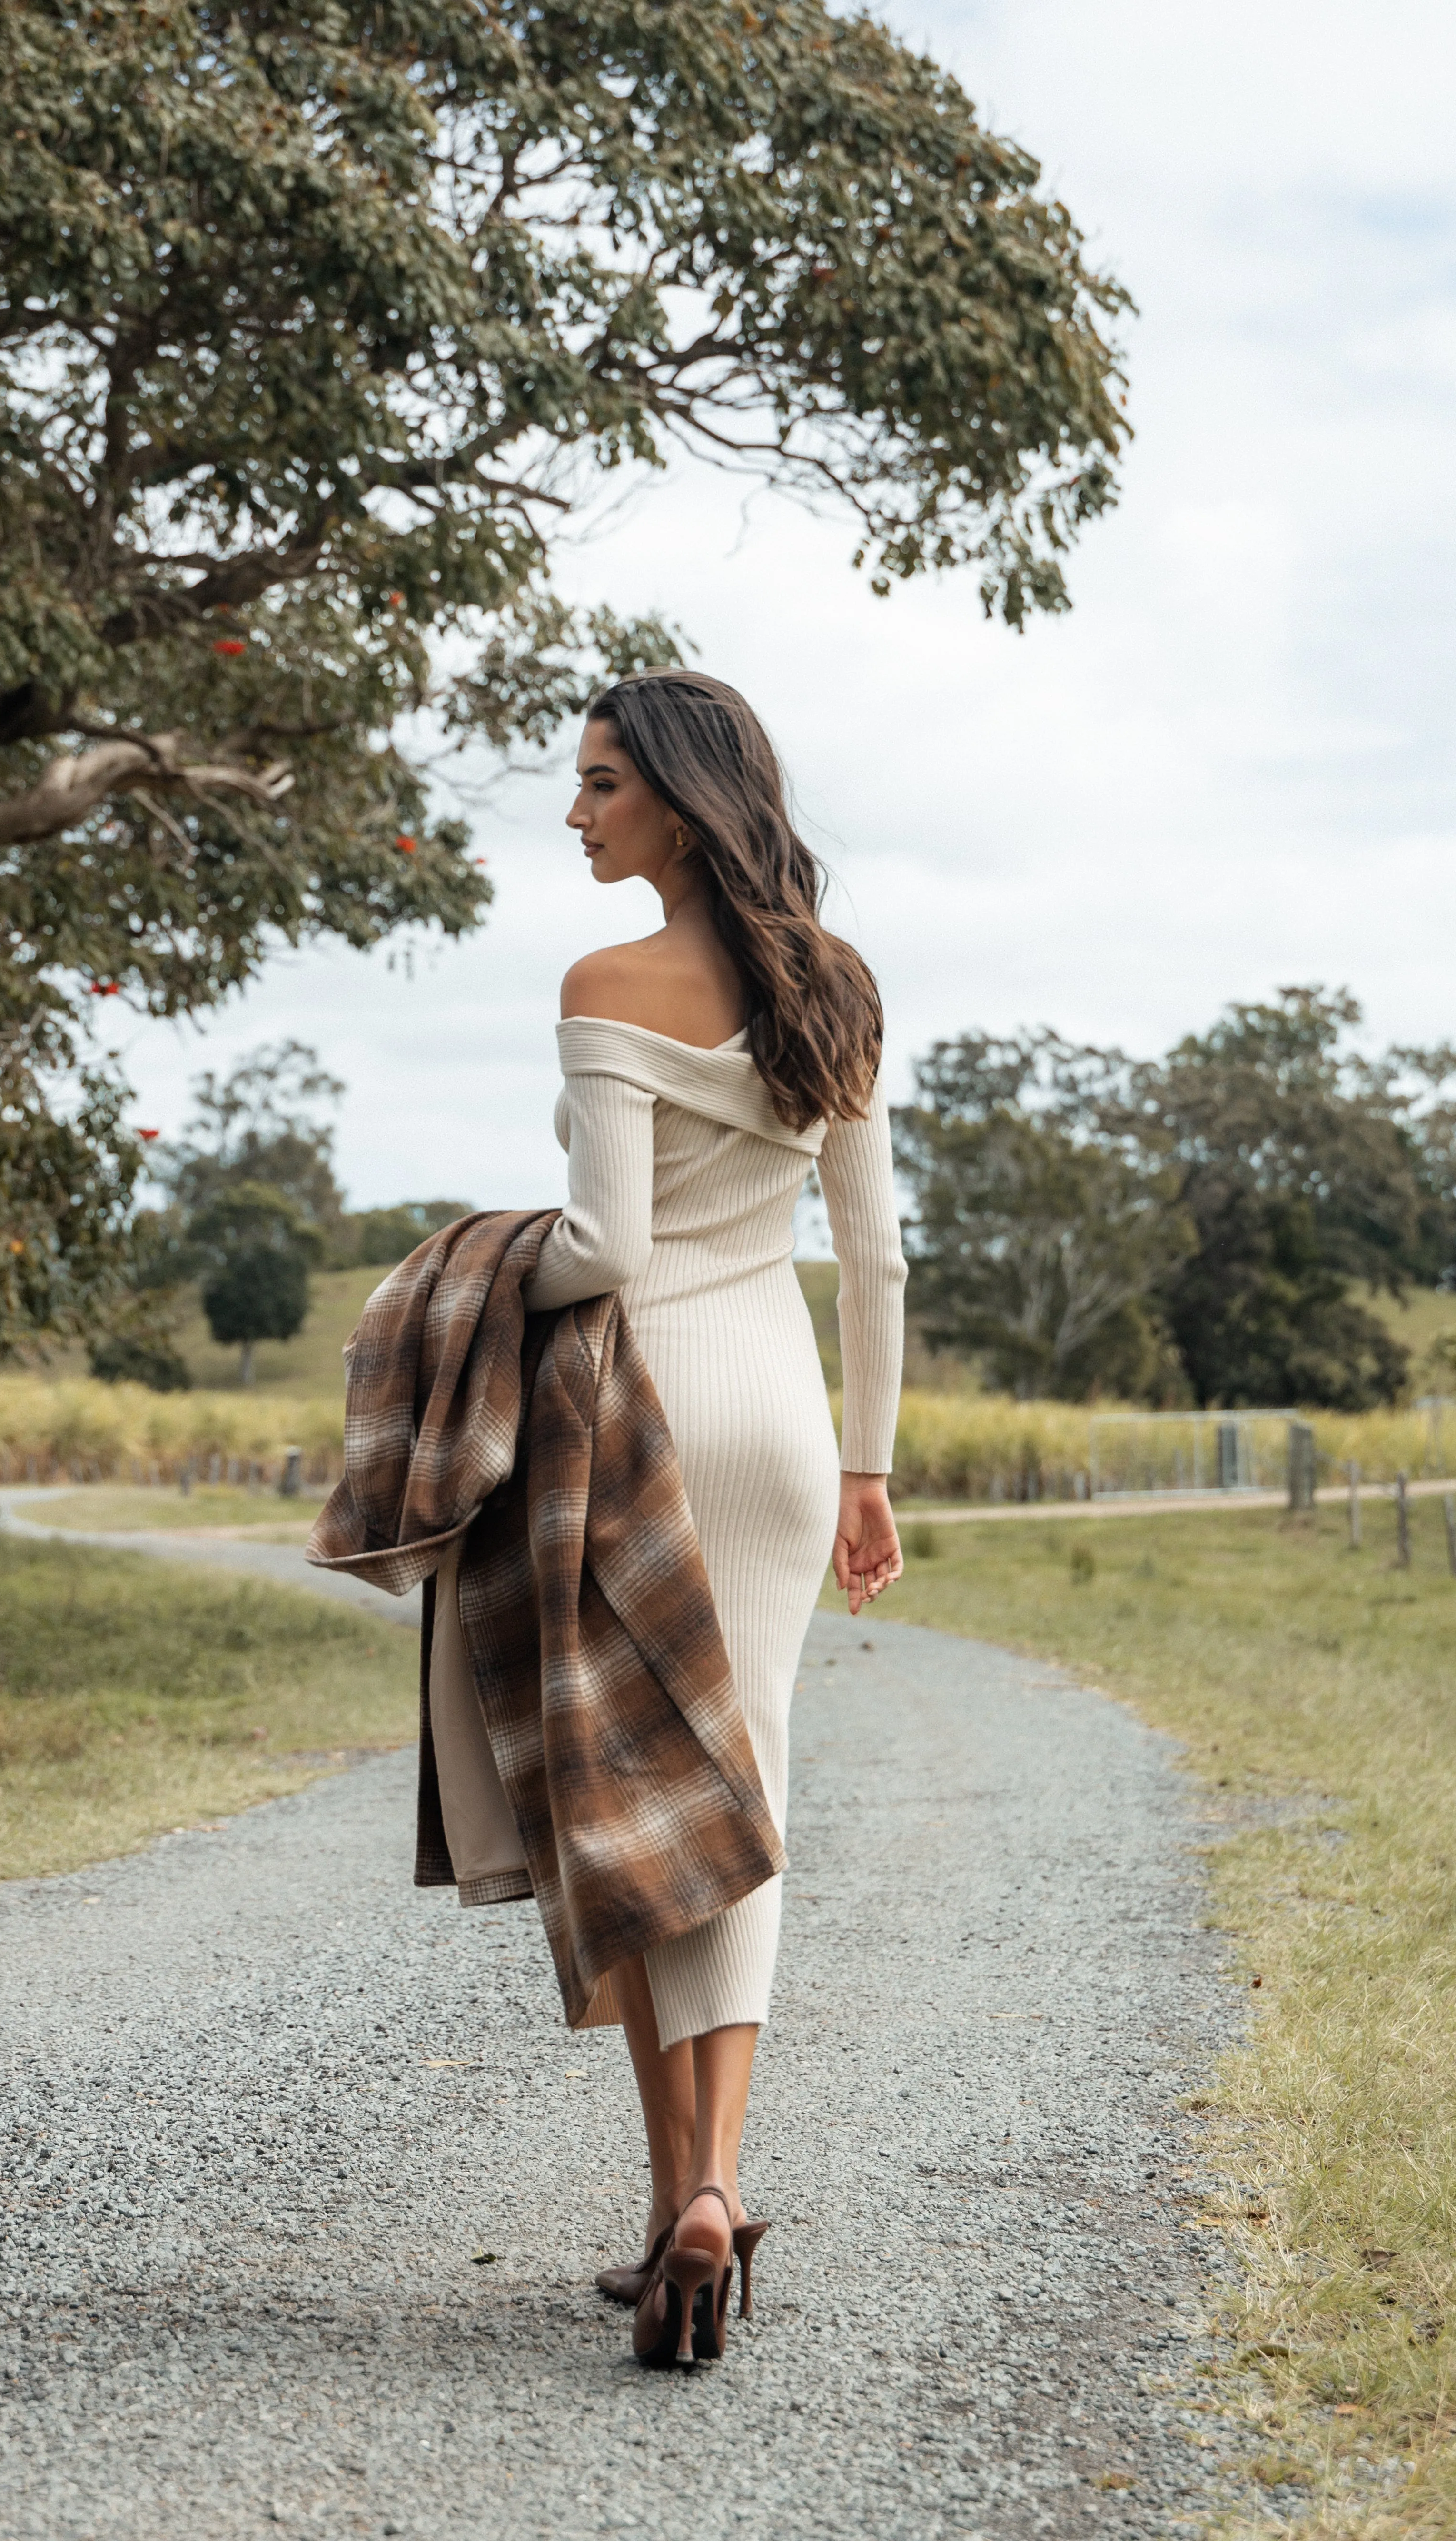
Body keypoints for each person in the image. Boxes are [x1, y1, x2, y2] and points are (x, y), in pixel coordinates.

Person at [520, 668, 906, 2366]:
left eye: (603, 782)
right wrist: (872, 1470)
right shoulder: (835, 988)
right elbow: (875, 1257)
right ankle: (708, 2189)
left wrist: (472, 1270)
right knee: (746, 1786)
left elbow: (599, 1251)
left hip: (641, 1407)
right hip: (785, 1421)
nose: (580, 810)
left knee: (630, 1803)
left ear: (677, 798)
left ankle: (675, 2183)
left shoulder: (608, 980)